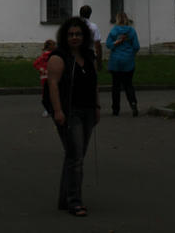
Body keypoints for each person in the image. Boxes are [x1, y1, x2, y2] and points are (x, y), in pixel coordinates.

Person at [46, 16, 100, 217]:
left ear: (84, 36)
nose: (74, 37)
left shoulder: (88, 56)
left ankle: (65, 198)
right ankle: (75, 202)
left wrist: (97, 107)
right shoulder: (58, 57)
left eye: (78, 34)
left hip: (87, 110)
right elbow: (52, 85)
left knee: (74, 156)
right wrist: (58, 111)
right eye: (71, 34)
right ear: (64, 36)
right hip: (69, 112)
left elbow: (94, 83)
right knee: (76, 157)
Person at [105, 12, 140, 117]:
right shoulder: (132, 31)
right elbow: (136, 46)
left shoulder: (114, 31)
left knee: (115, 86)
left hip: (115, 61)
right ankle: (133, 104)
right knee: (128, 84)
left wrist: (115, 43)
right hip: (128, 61)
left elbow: (108, 44)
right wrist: (131, 54)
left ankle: (116, 109)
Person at [33, 38, 56, 116]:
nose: (55, 46)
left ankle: (49, 109)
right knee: (49, 93)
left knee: (48, 93)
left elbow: (35, 64)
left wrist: (41, 69)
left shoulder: (48, 55)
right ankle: (49, 109)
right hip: (47, 77)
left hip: (49, 76)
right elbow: (35, 64)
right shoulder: (46, 55)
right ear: (49, 46)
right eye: (53, 45)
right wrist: (42, 69)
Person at [79, 4, 102, 70]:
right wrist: (99, 62)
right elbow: (98, 45)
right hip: (89, 55)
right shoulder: (93, 27)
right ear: (90, 14)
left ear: (80, 13)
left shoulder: (75, 25)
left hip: (77, 54)